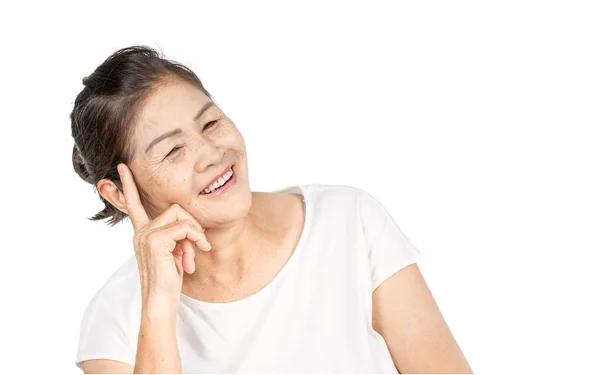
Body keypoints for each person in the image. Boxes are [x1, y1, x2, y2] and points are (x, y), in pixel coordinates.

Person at [71, 45, 473, 374]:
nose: (212, 154)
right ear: (120, 193)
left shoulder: (349, 223)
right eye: (174, 150)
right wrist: (157, 308)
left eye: (210, 123)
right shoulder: (116, 318)